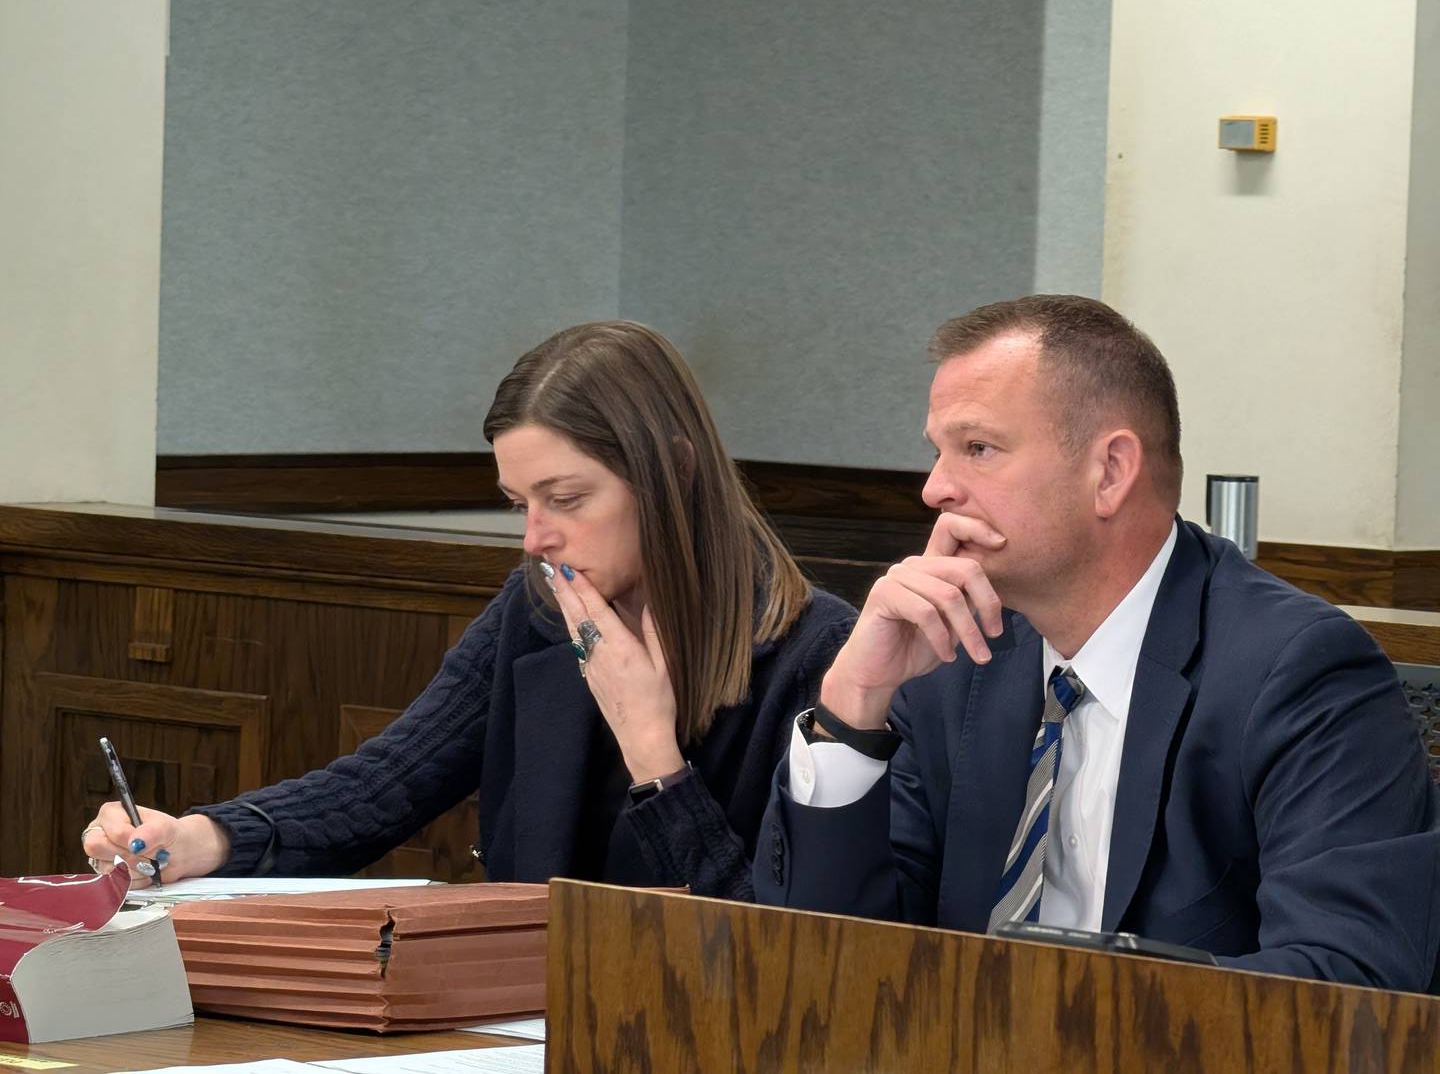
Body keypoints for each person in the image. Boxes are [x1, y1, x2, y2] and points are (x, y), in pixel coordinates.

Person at [753, 294, 1440, 990]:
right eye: (938, 452)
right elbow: (826, 971)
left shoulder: (1299, 673)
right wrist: (852, 703)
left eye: (978, 449)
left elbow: (1353, 984)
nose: (934, 489)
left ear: (1109, 471)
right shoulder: (948, 657)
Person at [83, 321, 855, 900]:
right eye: (520, 503)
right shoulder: (538, 609)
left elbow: (767, 938)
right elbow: (385, 784)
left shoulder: (816, 654)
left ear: (674, 472)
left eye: (567, 498)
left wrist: (654, 752)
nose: (535, 538)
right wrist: (203, 837)